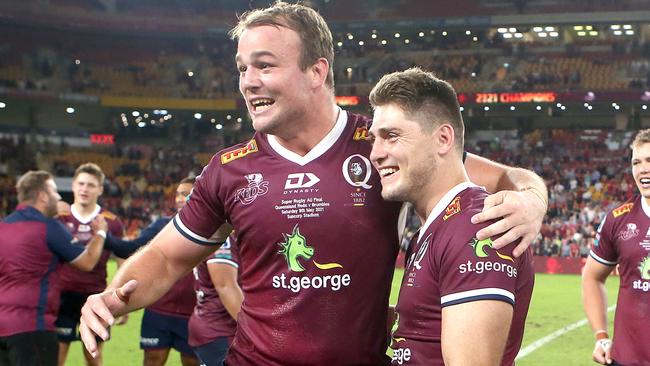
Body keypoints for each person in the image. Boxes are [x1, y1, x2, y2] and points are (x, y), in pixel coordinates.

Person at [79, 2, 547, 365]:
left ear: (316, 71)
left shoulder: (383, 146)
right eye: (242, 68)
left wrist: (532, 199)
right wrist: (112, 298)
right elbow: (165, 257)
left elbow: (494, 176)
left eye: (264, 65)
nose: (248, 82)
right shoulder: (229, 168)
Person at [368, 68, 535, 365]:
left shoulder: (476, 227)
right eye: (375, 139)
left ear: (443, 138)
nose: (375, 153)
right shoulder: (434, 227)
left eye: (391, 136)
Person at [0, 170, 107, 366]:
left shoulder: (3, 226)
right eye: (55, 191)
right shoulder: (48, 227)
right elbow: (88, 262)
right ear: (42, 195)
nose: (59, 197)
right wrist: (100, 233)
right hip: (32, 327)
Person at [106, 177, 200, 366]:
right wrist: (102, 234)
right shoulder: (161, 226)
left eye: (186, 193)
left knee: (192, 363)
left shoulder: (215, 231)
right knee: (152, 361)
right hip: (158, 309)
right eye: (178, 194)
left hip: (195, 314)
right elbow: (129, 248)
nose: (181, 199)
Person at [582, 129, 650, 366]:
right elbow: (591, 277)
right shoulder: (618, 219)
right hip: (625, 358)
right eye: (636, 162)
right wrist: (601, 336)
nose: (643, 169)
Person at [55, 163, 124, 366]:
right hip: (62, 296)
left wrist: (122, 300)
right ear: (74, 186)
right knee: (57, 355)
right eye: (81, 184)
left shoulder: (112, 222)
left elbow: (123, 262)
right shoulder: (59, 217)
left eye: (91, 185)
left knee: (93, 355)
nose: (85, 189)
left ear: (100, 189)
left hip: (96, 297)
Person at [189, 235, 242, 366]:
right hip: (220, 329)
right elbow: (225, 286)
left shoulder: (214, 233)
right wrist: (255, 329)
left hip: (213, 325)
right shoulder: (223, 237)